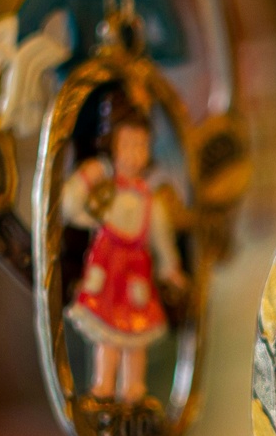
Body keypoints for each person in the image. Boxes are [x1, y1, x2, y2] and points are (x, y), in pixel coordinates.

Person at [62, 96, 187, 404]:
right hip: (106, 271)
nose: (134, 154)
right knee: (106, 335)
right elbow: (70, 205)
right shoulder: (105, 192)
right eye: (127, 145)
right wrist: (90, 173)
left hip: (135, 275)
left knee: (135, 338)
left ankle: (134, 389)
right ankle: (103, 386)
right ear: (112, 146)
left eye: (141, 145)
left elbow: (161, 240)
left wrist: (170, 268)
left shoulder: (150, 200)